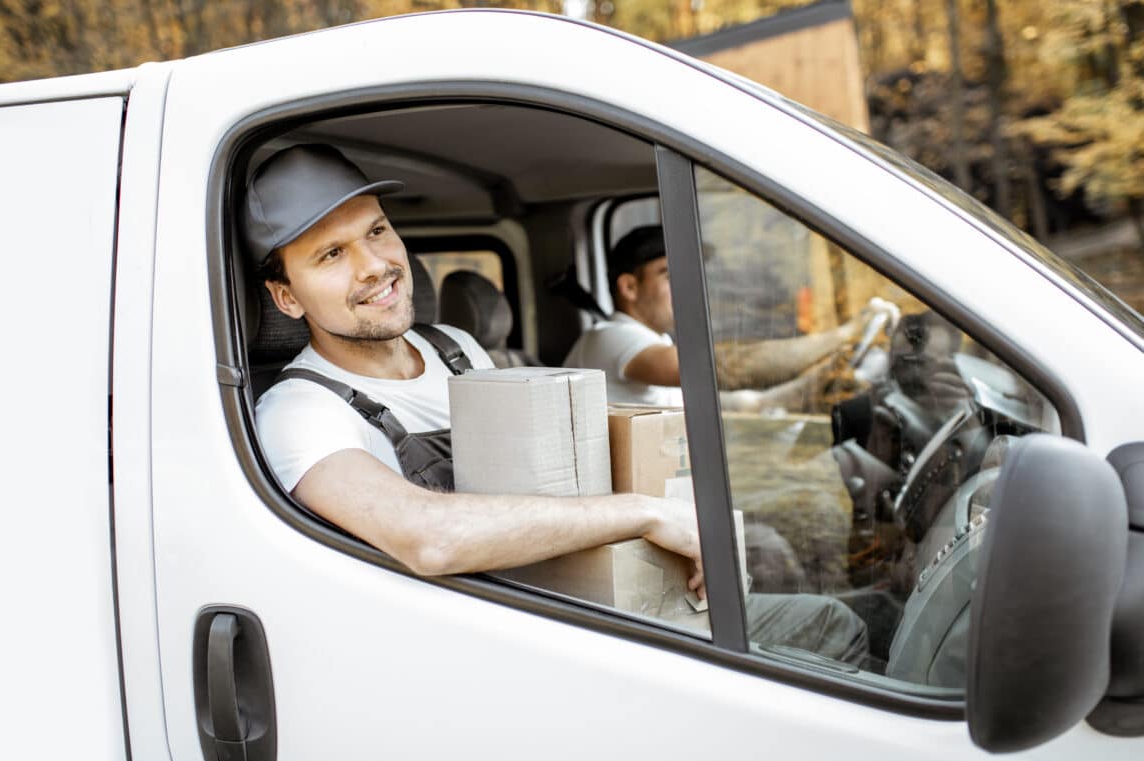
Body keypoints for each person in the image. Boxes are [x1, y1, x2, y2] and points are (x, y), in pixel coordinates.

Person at [245, 143, 867, 664]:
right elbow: (426, 537)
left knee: (831, 616)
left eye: (376, 231)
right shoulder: (300, 411)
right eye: (331, 254)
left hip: (571, 603)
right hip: (498, 647)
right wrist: (645, 516)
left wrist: (673, 535)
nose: (375, 266)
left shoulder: (455, 348)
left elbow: (552, 482)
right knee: (835, 636)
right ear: (287, 296)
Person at [563, 225, 898, 409]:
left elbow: (749, 403)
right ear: (630, 287)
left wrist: (820, 379)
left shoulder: (653, 343)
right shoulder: (609, 338)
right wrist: (844, 334)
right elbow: (722, 367)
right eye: (669, 275)